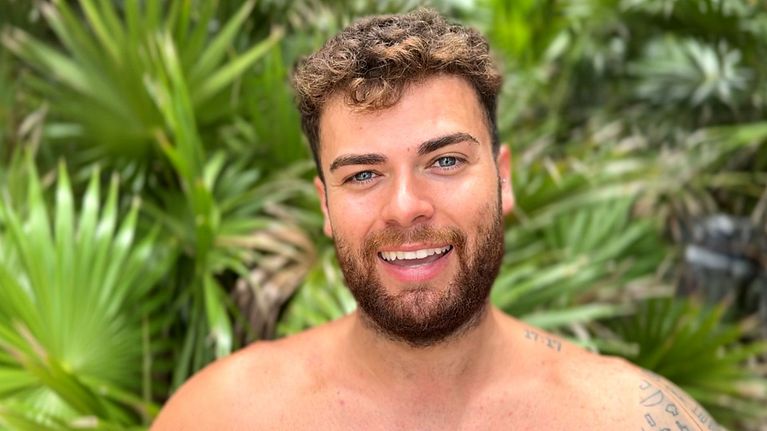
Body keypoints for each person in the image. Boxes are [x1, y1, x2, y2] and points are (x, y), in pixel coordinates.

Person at [152, 9, 721, 430]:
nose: (405, 207)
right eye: (363, 174)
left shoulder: (627, 416)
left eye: (445, 161)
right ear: (325, 205)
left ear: (503, 179)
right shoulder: (221, 415)